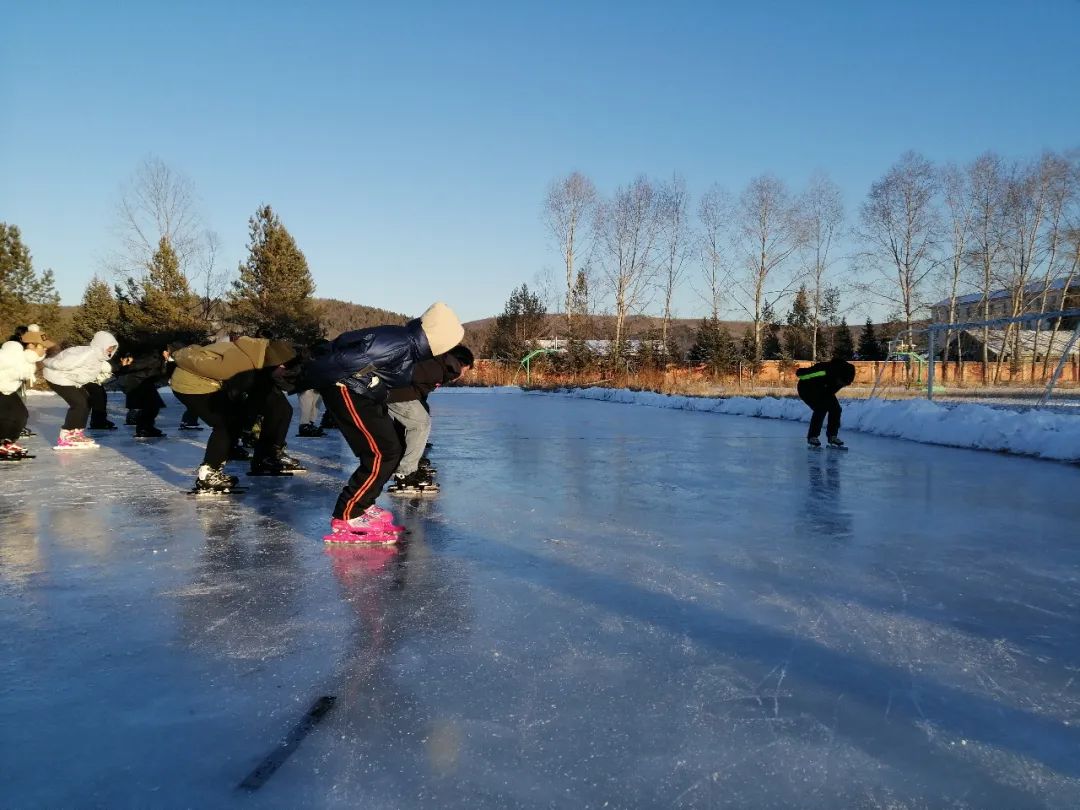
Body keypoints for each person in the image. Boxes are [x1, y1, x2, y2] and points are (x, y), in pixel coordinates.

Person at [303, 302, 463, 543]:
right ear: (437, 336)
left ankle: (364, 505)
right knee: (380, 454)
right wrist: (362, 381)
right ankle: (348, 515)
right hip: (346, 390)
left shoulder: (409, 346)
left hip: (362, 393)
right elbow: (341, 360)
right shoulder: (398, 341)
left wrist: (374, 384)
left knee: (392, 449)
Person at [170, 336, 297, 492]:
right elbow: (201, 366)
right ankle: (209, 474)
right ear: (275, 362)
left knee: (232, 421)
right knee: (224, 424)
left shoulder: (257, 353)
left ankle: (221, 458)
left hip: (208, 382)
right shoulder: (243, 365)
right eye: (284, 366)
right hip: (191, 384)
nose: (284, 371)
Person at [385, 344, 473, 496]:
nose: (463, 375)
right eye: (466, 370)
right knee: (420, 424)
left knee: (419, 419)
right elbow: (406, 373)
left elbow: (419, 387)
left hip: (397, 392)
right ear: (461, 363)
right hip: (395, 392)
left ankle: (410, 460)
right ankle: (405, 473)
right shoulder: (439, 368)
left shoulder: (442, 367)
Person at [41, 331, 118, 450]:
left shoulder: (98, 358)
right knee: (79, 403)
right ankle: (66, 435)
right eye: (109, 348)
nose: (110, 351)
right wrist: (46, 361)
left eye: (112, 349)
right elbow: (61, 364)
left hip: (70, 380)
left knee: (87, 401)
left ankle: (76, 433)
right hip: (56, 377)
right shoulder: (88, 354)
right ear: (102, 345)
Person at [795, 358, 856, 448]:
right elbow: (802, 375)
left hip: (825, 390)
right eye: (842, 382)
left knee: (836, 409)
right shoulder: (823, 371)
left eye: (845, 384)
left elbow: (831, 391)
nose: (842, 385)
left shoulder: (843, 378)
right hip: (806, 388)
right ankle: (812, 436)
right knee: (821, 408)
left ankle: (832, 436)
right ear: (838, 376)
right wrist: (800, 372)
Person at [0, 340, 45, 459]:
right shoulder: (3, 359)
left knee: (21, 414)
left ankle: (8, 441)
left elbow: (26, 372)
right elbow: (18, 373)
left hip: (8, 391)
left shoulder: (20, 362)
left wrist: (35, 355)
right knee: (5, 416)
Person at [115, 347, 172, 438]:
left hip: (144, 382)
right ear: (164, 352)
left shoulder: (160, 359)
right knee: (151, 406)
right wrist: (124, 367)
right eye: (169, 352)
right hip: (138, 383)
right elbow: (137, 365)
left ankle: (146, 428)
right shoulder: (154, 357)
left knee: (152, 406)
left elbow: (161, 373)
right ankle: (144, 429)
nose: (170, 355)